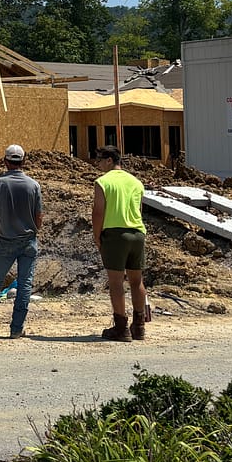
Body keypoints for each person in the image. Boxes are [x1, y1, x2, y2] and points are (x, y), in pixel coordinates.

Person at [0, 144, 43, 337]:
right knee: (25, 284)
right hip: (28, 240)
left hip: (6, 241)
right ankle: (16, 328)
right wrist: (34, 232)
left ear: (5, 161)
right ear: (23, 161)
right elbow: (39, 217)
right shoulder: (33, 185)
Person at [91, 145, 148, 341]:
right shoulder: (136, 182)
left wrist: (97, 235)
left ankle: (121, 326)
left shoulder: (102, 182)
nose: (97, 164)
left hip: (115, 234)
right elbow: (139, 210)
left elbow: (98, 211)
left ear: (109, 160)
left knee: (116, 282)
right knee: (136, 280)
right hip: (137, 233)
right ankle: (139, 326)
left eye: (99, 160)